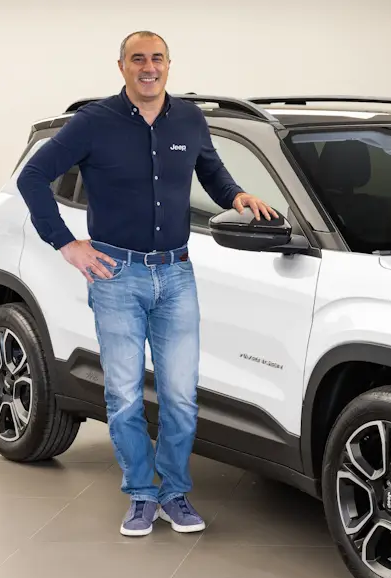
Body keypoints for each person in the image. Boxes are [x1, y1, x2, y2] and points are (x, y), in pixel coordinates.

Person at [15, 30, 277, 537]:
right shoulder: (94, 122)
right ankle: (140, 493)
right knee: (125, 395)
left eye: (157, 58)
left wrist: (236, 197)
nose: (148, 67)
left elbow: (211, 172)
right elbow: (33, 177)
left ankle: (174, 493)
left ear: (168, 65)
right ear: (122, 67)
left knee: (180, 396)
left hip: (176, 274)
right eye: (138, 59)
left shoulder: (189, 119)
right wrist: (66, 243)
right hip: (115, 275)